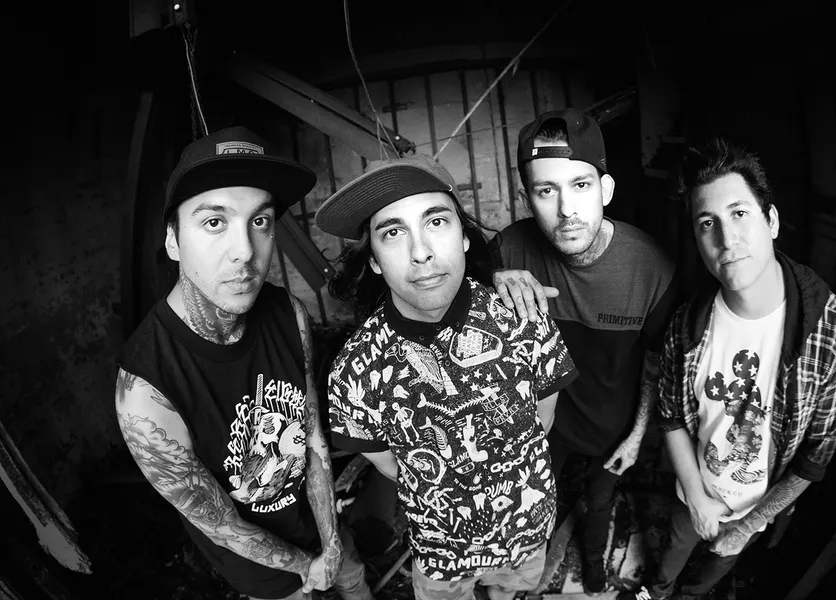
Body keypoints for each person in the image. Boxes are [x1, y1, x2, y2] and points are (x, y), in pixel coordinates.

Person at [114, 126, 374, 600]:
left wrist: (332, 541)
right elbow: (221, 524)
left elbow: (312, 435)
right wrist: (308, 567)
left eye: (260, 221)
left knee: (355, 582)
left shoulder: (288, 312)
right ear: (173, 240)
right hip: (265, 572)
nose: (246, 252)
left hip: (324, 529)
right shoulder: (145, 391)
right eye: (215, 222)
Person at [317, 154, 578, 600]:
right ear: (375, 260)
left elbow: (542, 422)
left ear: (464, 237)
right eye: (393, 232)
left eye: (436, 222)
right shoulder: (355, 371)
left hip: (527, 530)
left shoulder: (522, 318)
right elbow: (393, 466)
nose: (420, 252)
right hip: (441, 552)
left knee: (509, 593)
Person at [620, 139, 836, 600]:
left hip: (757, 511)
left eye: (740, 214)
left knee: (708, 575)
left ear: (772, 221)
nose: (726, 240)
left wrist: (746, 527)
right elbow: (671, 416)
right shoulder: (687, 326)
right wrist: (697, 499)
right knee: (670, 556)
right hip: (693, 491)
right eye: (707, 223)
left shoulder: (830, 332)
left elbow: (815, 457)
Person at [491, 108, 678, 594]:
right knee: (535, 501)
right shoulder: (507, 250)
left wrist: (637, 435)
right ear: (526, 199)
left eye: (580, 185)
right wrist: (489, 282)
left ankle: (594, 566)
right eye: (546, 191)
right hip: (542, 422)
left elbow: (657, 361)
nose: (566, 209)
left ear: (606, 190)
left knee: (600, 501)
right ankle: (522, 574)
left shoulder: (652, 269)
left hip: (610, 424)